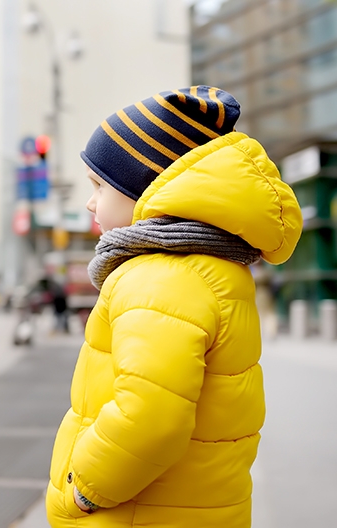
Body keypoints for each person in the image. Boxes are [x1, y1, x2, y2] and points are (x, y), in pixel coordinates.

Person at [46, 87, 302, 527]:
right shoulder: (209, 268)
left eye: (100, 186)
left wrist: (86, 487)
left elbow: (150, 415)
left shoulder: (160, 276)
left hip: (138, 514)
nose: (90, 202)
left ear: (147, 189)